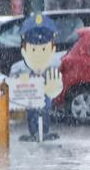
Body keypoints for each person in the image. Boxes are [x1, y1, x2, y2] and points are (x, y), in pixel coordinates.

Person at [10, 12, 63, 142]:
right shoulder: (26, 71)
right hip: (33, 85)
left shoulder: (49, 71)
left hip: (44, 83)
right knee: (33, 109)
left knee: (44, 107)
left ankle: (42, 131)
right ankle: (34, 131)